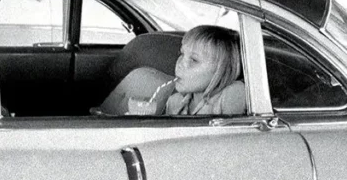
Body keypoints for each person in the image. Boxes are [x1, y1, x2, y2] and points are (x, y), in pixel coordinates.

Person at [98, 25, 245, 116]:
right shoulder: (174, 102)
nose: (180, 63)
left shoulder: (233, 93)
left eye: (193, 60)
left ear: (221, 70)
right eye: (182, 54)